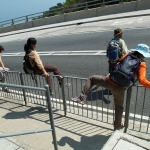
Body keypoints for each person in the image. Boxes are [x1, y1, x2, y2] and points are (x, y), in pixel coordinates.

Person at [72, 44, 150, 130]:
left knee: (91, 79)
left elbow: (117, 65)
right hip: (120, 88)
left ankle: (82, 98)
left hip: (109, 81)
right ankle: (117, 126)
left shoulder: (127, 55)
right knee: (119, 107)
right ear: (143, 54)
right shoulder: (142, 63)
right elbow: (142, 80)